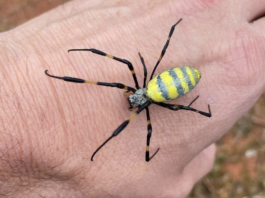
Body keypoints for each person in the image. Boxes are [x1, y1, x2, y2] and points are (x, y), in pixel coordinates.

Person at [0, 0, 264, 197]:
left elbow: (126, 70)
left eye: (135, 98)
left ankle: (102, 142)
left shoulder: (142, 96)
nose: (132, 99)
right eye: (135, 98)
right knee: (145, 90)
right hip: (164, 86)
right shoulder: (143, 91)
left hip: (172, 84)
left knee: (149, 104)